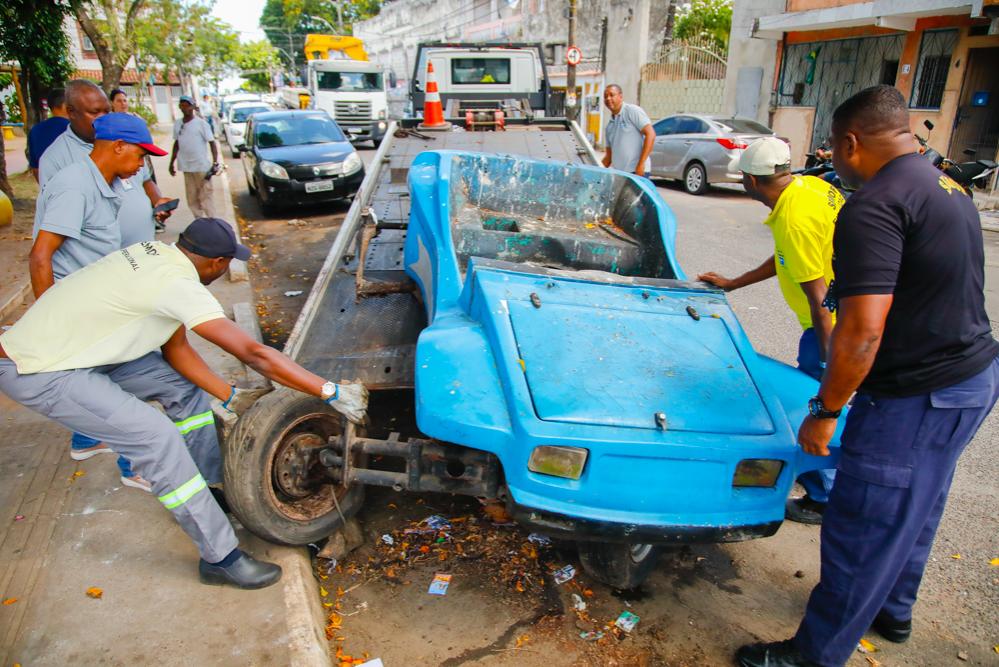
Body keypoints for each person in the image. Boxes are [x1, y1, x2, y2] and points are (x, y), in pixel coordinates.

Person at [736, 85, 999, 667]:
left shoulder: (875, 204)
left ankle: (814, 655)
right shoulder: (949, 186)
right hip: (972, 379)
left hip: (916, 395)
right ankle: (893, 611)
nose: (834, 162)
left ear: (850, 143)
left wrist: (825, 412)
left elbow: (861, 330)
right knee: (918, 504)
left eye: (834, 149)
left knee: (863, 521)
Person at [0, 217, 368, 589]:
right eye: (227, 263)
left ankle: (214, 486)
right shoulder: (178, 285)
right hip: (38, 369)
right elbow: (255, 354)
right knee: (155, 439)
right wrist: (330, 392)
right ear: (217, 263)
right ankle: (220, 558)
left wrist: (230, 396)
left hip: (71, 350)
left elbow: (176, 351)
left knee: (181, 389)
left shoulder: (158, 255)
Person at [698, 137, 841, 525]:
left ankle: (824, 496)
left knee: (812, 406)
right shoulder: (809, 188)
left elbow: (820, 299)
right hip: (841, 318)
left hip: (827, 328)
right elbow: (786, 257)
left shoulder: (795, 221)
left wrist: (830, 362)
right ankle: (826, 484)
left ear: (750, 180)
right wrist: (734, 282)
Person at [110, 87, 163, 227]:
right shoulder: (108, 124)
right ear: (112, 103)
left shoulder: (135, 119)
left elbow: (146, 140)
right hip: (123, 166)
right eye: (119, 101)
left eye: (125, 100)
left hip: (140, 160)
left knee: (146, 182)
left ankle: (155, 217)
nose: (123, 104)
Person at [169, 95, 219, 219]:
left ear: (192, 107)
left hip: (201, 166)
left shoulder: (201, 124)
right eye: (182, 105)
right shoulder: (178, 124)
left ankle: (211, 220)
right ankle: (199, 221)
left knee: (205, 195)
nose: (185, 108)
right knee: (191, 197)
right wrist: (171, 163)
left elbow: (212, 143)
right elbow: (177, 143)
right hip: (186, 166)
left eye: (187, 105)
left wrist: (215, 163)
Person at [601, 84, 654, 178]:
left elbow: (651, 134)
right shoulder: (609, 126)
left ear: (620, 96)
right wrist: (593, 169)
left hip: (637, 171)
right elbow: (608, 158)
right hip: (620, 174)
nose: (608, 99)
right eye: (605, 96)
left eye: (611, 95)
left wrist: (641, 165)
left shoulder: (632, 111)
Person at [27, 88, 69, 182]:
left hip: (48, 187)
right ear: (64, 105)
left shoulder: (35, 130)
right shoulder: (73, 128)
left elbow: (35, 168)